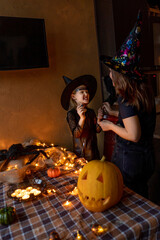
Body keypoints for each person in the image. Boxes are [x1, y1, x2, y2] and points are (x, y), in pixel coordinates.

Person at [97, 11, 156, 198]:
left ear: (120, 77)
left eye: (112, 74)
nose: (110, 77)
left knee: (130, 200)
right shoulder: (143, 91)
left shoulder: (125, 98)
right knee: (142, 196)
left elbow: (133, 134)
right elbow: (135, 118)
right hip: (147, 157)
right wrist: (113, 110)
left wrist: (110, 126)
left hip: (130, 160)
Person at [61, 75, 101, 161]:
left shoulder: (91, 112)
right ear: (73, 96)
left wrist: (99, 119)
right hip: (81, 155)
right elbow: (76, 134)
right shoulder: (71, 114)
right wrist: (82, 118)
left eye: (87, 92)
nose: (86, 94)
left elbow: (97, 130)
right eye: (82, 92)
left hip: (94, 152)